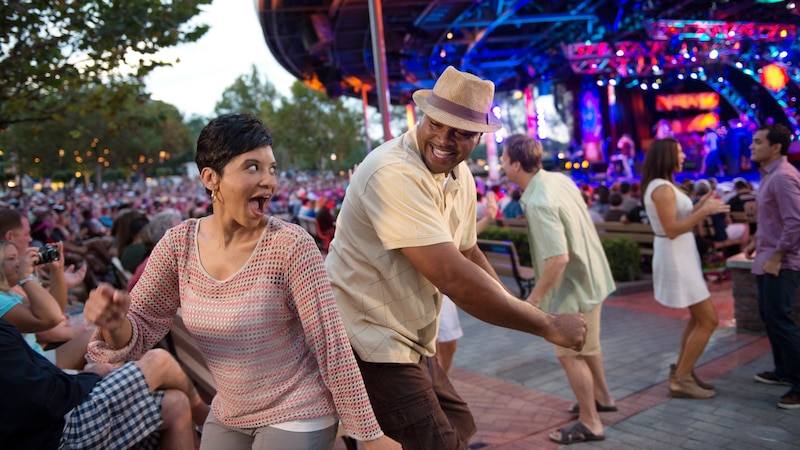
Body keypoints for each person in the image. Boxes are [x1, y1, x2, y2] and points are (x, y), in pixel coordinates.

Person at [83, 113, 399, 449]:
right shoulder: (179, 245)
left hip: (300, 408)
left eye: (272, 168)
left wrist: (369, 434)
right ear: (210, 178)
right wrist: (115, 324)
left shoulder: (291, 245)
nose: (269, 181)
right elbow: (140, 327)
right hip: (231, 412)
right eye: (252, 167)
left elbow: (331, 344)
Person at [324, 66, 587, 449]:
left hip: (406, 336)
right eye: (436, 124)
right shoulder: (393, 171)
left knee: (456, 423)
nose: (444, 139)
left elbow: (466, 250)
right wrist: (545, 323)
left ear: (479, 137)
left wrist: (517, 307)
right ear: (423, 116)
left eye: (460, 131)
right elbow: (452, 276)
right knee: (438, 438)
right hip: (366, 338)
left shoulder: (460, 176)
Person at [501, 133, 616, 444]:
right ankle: (603, 399)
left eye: (503, 158)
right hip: (592, 276)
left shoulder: (538, 200)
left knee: (569, 354)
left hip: (572, 289)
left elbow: (557, 259)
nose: (500, 164)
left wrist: (534, 300)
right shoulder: (558, 180)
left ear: (515, 164)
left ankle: (591, 422)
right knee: (587, 346)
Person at [0, 318, 202, 449]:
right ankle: (210, 419)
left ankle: (207, 431)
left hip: (50, 419)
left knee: (176, 404)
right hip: (56, 433)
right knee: (159, 361)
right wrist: (91, 376)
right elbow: (39, 397)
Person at [641, 138, 730, 399]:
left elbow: (679, 220)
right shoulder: (662, 189)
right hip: (676, 257)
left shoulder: (665, 185)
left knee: (698, 318)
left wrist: (703, 204)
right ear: (666, 156)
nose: (683, 156)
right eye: (679, 152)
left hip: (682, 255)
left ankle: (683, 371)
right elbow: (672, 229)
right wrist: (704, 212)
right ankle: (681, 377)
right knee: (709, 319)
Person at [744, 123, 800, 409]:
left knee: (780, 319)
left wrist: (777, 256)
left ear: (776, 146)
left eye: (757, 141)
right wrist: (756, 240)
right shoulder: (769, 175)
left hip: (782, 262)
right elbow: (773, 219)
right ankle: (783, 372)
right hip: (767, 258)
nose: (751, 146)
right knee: (770, 317)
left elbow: (795, 222)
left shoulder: (782, 177)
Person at [436, 191, 499, 374]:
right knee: (430, 347)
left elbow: (462, 240)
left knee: (448, 342)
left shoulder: (456, 185)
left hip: (442, 284)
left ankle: (440, 386)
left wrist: (487, 219)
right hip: (418, 283)